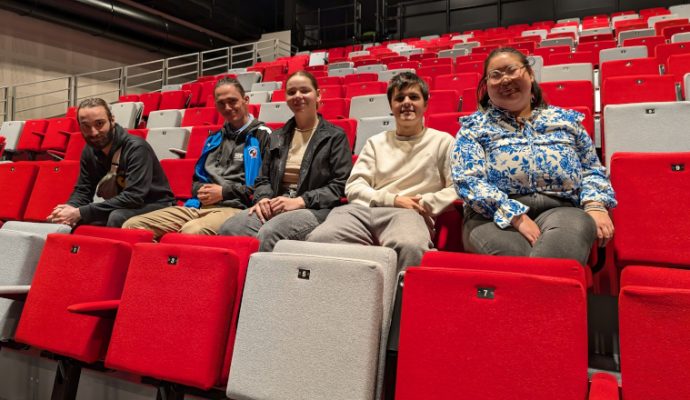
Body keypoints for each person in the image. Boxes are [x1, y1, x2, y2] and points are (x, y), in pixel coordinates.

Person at [451, 47, 616, 266]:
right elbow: (468, 180)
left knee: (555, 262)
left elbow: (591, 169)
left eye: (511, 70)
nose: (505, 80)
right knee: (516, 264)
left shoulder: (565, 121)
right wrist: (515, 216)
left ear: (530, 74)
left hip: (562, 209)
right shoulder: (473, 128)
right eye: (495, 75)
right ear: (486, 85)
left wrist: (595, 205)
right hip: (492, 216)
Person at [307, 71, 457, 271]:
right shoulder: (375, 142)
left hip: (411, 213)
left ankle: (400, 302)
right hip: (364, 210)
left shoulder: (443, 141)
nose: (406, 102)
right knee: (319, 239)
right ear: (391, 106)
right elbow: (354, 186)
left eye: (413, 97)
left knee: (410, 246)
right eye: (399, 98)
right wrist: (392, 199)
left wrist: (421, 204)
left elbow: (456, 188)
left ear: (425, 104)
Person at [218, 71, 352, 251]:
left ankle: (261, 279)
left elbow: (339, 185)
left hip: (315, 208)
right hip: (278, 204)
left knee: (271, 232)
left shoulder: (335, 136)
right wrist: (264, 198)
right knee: (230, 228)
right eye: (292, 92)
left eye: (304, 90)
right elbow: (263, 179)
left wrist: (301, 200)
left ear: (318, 95)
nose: (298, 96)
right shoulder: (278, 136)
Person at [123, 78, 271, 239]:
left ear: (246, 100)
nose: (227, 107)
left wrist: (224, 192)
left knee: (190, 231)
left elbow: (266, 185)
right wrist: (199, 191)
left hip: (238, 209)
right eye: (221, 103)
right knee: (132, 226)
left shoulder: (263, 136)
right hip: (199, 207)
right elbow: (196, 181)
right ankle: (161, 262)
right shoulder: (213, 139)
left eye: (232, 101)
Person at [48, 97, 174, 227]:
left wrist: (80, 212)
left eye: (99, 124)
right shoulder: (89, 150)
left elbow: (134, 197)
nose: (93, 132)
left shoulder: (136, 148)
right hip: (123, 205)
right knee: (63, 219)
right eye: (86, 126)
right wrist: (69, 209)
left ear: (112, 120)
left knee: (116, 217)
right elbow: (83, 190)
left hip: (156, 205)